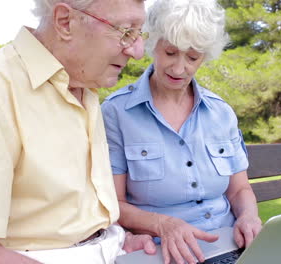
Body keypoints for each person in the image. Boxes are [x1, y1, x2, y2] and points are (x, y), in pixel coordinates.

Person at [0, 0, 156, 263]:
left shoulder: (84, 85)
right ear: (65, 22)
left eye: (138, 33)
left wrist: (114, 241)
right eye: (125, 31)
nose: (138, 51)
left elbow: (62, 220)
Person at [101, 0, 262, 263]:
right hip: (163, 251)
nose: (179, 68)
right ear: (154, 44)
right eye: (170, 52)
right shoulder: (116, 112)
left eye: (192, 57)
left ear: (205, 56)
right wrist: (164, 224)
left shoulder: (221, 112)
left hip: (231, 243)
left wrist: (248, 217)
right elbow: (112, 205)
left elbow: (239, 189)